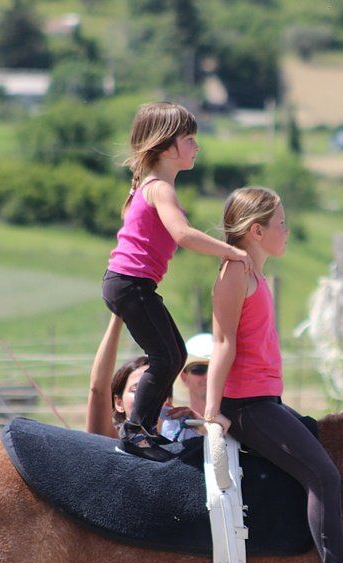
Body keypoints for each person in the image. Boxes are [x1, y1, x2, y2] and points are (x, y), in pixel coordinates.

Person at [204, 187, 343, 563]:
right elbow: (223, 342)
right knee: (323, 474)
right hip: (247, 405)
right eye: (281, 223)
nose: (288, 230)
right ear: (256, 230)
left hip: (266, 400)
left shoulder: (255, 273)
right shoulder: (235, 274)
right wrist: (212, 411)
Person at [102, 102, 253, 459]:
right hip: (130, 283)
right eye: (189, 139)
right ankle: (136, 432)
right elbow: (183, 234)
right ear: (167, 147)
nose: (196, 146)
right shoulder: (159, 189)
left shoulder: (152, 187)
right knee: (165, 356)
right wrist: (232, 252)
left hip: (132, 285)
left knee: (174, 355)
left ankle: (145, 428)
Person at [85, 314, 198, 440]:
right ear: (118, 403)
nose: (147, 394)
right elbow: (98, 390)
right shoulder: (111, 441)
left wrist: (202, 424)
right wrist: (117, 316)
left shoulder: (184, 443)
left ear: (168, 402)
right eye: (137, 389)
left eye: (156, 389)